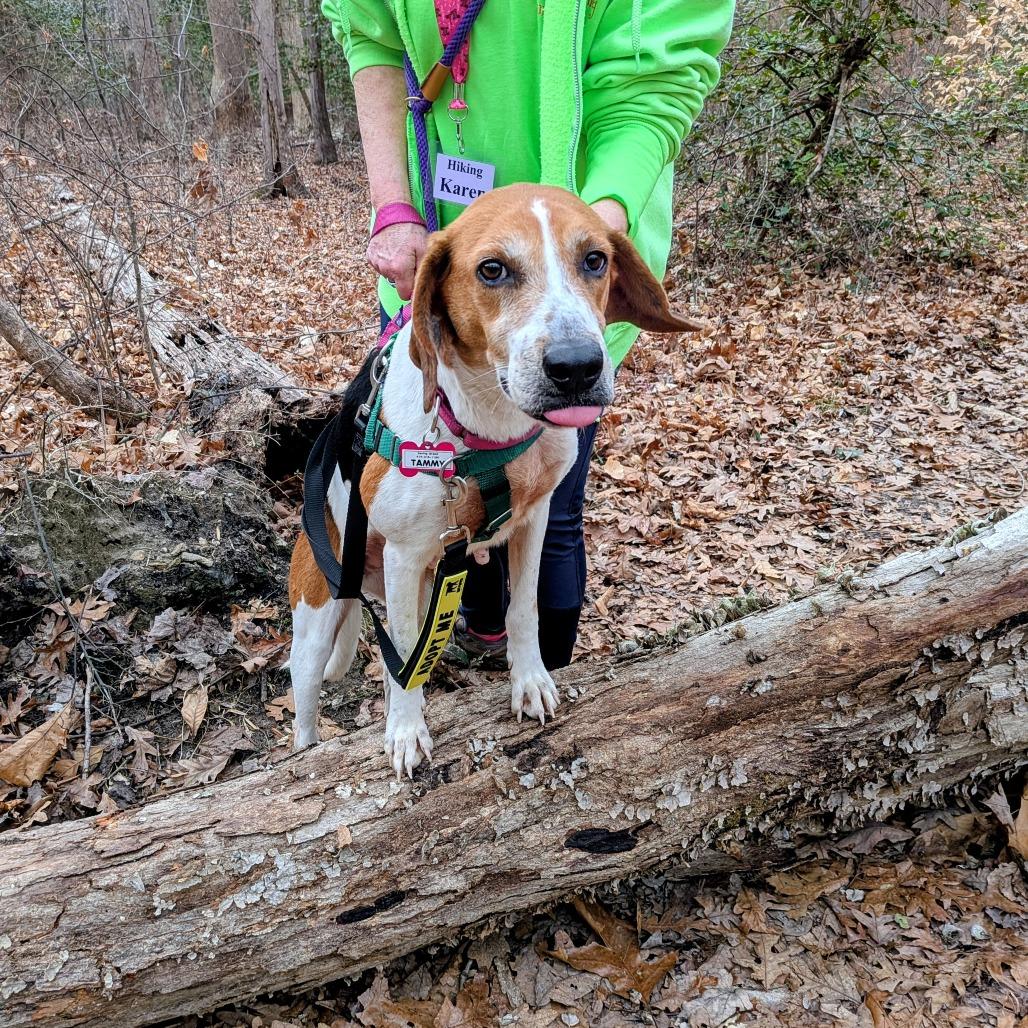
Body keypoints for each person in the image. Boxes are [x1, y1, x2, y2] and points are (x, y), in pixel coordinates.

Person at [323, 0, 734, 669]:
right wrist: (393, 206)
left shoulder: (583, 278)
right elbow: (368, 35)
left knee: (546, 499)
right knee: (430, 503)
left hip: (590, 210)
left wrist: (586, 240)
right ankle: (460, 640)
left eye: (599, 266)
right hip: (426, 274)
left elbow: (655, 84)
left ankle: (539, 673)